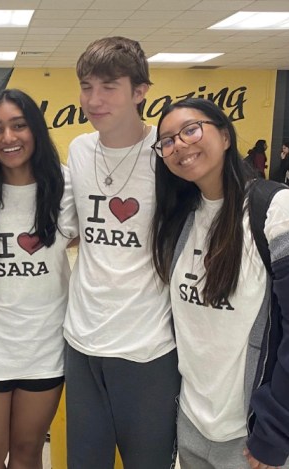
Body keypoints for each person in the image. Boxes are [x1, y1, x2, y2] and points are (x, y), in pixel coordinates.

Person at [149, 97, 289, 469]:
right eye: (167, 141)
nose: (179, 145)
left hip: (263, 439)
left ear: (225, 136)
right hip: (195, 430)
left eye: (191, 130)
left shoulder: (278, 209)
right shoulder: (180, 218)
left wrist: (276, 434)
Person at [64, 36, 179, 469]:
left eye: (109, 87)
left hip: (147, 347)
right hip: (82, 341)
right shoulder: (79, 150)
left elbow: (225, 204)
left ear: (139, 91)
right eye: (86, 86)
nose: (94, 100)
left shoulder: (167, 155)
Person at [0, 89, 77, 468]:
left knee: (28, 453)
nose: (8, 137)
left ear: (36, 129)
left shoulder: (67, 186)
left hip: (45, 345)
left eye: (19, 125)